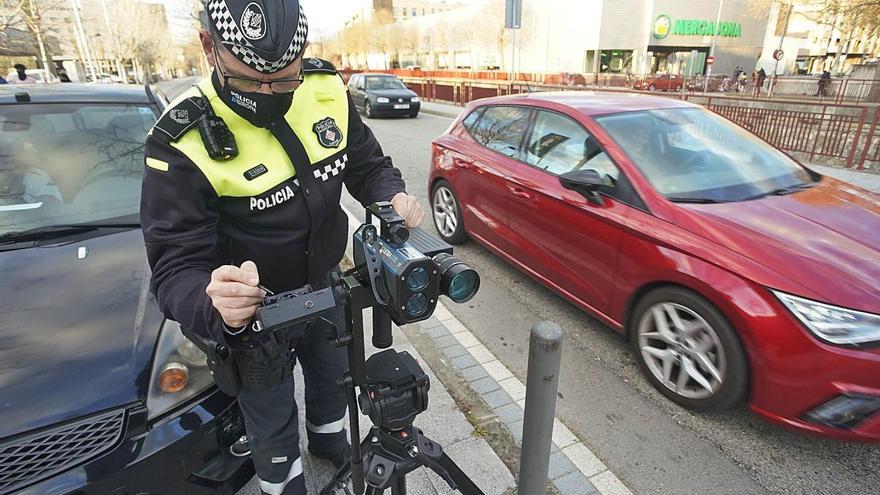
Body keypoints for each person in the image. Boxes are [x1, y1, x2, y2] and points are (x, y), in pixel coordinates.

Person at [139, 1, 424, 494]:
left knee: (335, 382)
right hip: (256, 315)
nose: (269, 94)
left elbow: (367, 165)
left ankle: (329, 442)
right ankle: (284, 483)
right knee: (270, 419)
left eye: (284, 81)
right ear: (211, 47)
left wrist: (390, 196)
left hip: (328, 285)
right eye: (250, 82)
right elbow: (173, 267)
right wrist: (212, 301)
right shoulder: (179, 139)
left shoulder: (325, 88)